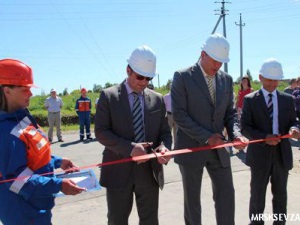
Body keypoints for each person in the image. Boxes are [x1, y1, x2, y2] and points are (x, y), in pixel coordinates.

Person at [171, 33, 248, 225]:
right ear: (203, 54)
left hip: (219, 150)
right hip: (191, 149)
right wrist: (207, 137)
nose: (217, 66)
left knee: (226, 197)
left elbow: (230, 114)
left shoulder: (226, 80)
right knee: (192, 204)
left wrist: (236, 135)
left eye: (221, 62)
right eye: (214, 61)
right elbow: (179, 115)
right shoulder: (182, 77)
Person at [0, 59, 86, 225]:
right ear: (7, 91)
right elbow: (17, 180)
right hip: (23, 214)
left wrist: (57, 161)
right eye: (25, 89)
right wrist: (58, 185)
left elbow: (33, 152)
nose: (31, 94)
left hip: (36, 208)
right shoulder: (4, 132)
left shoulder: (21, 117)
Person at [94, 45, 172, 225]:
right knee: (117, 220)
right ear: (128, 70)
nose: (144, 82)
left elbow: (165, 133)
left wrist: (164, 148)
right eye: (139, 77)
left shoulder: (158, 99)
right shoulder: (109, 96)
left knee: (150, 220)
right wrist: (130, 149)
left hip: (149, 173)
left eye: (148, 78)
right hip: (118, 173)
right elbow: (101, 132)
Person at [241, 58, 300, 225]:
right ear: (260, 77)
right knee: (257, 196)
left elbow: (293, 120)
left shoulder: (286, 99)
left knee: (281, 195)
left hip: (282, 155)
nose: (273, 84)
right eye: (269, 80)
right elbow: (245, 127)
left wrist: (294, 129)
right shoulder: (250, 100)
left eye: (276, 80)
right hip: (259, 155)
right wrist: (264, 137)